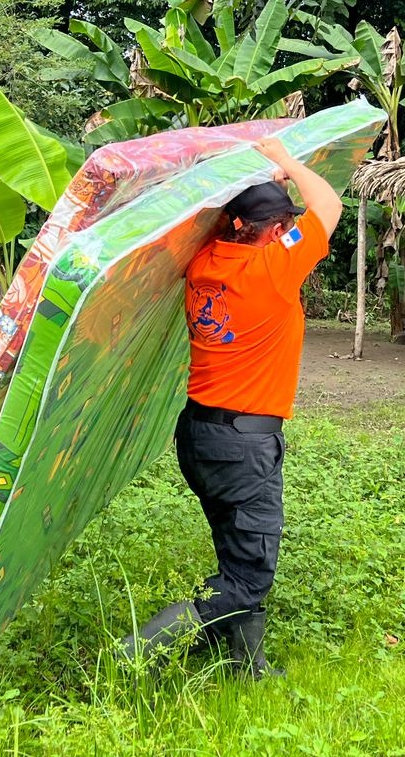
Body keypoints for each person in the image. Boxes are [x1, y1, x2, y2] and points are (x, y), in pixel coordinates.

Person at [119, 136, 341, 678]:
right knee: (248, 576)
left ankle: (247, 666)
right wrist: (286, 162)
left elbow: (242, 225)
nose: (286, 229)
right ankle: (132, 654)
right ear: (267, 231)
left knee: (237, 557)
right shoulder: (270, 271)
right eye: (280, 224)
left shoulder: (205, 262)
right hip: (243, 443)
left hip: (199, 432)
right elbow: (329, 208)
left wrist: (262, 190)